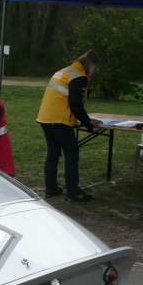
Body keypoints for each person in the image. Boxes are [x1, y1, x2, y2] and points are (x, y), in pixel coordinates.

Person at [36, 50, 103, 202]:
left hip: (46, 118)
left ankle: (51, 189)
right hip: (60, 120)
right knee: (72, 154)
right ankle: (73, 192)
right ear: (91, 66)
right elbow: (76, 104)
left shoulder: (64, 72)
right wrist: (88, 121)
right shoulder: (79, 77)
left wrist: (79, 118)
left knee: (53, 153)